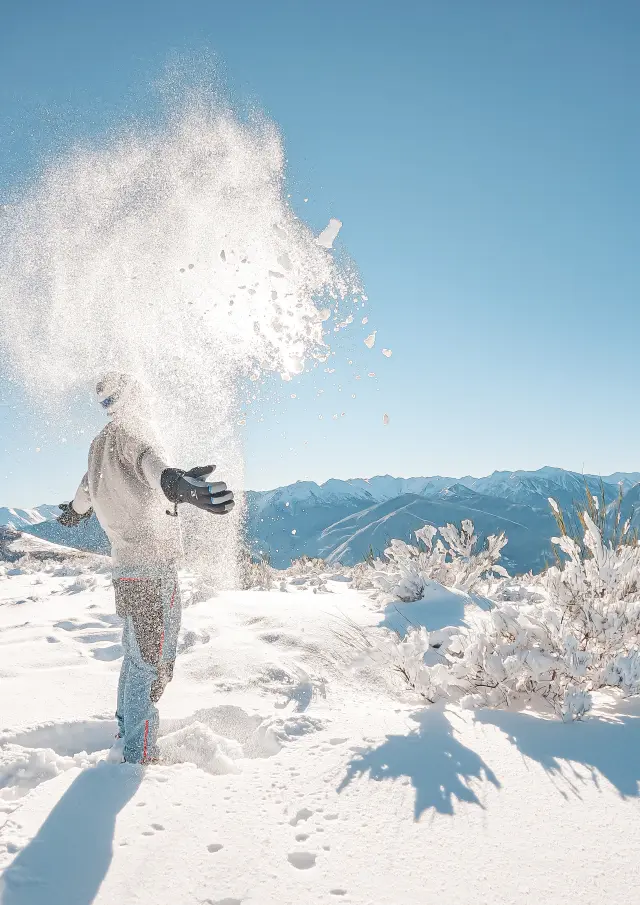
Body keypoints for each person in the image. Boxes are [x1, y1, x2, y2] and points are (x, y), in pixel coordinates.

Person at [57, 372, 235, 765]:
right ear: (132, 396)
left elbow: (85, 493)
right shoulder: (133, 432)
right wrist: (176, 483)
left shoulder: (98, 445)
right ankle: (138, 756)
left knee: (135, 657)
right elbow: (149, 462)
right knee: (151, 664)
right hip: (152, 571)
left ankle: (126, 731)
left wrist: (72, 514)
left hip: (125, 572)